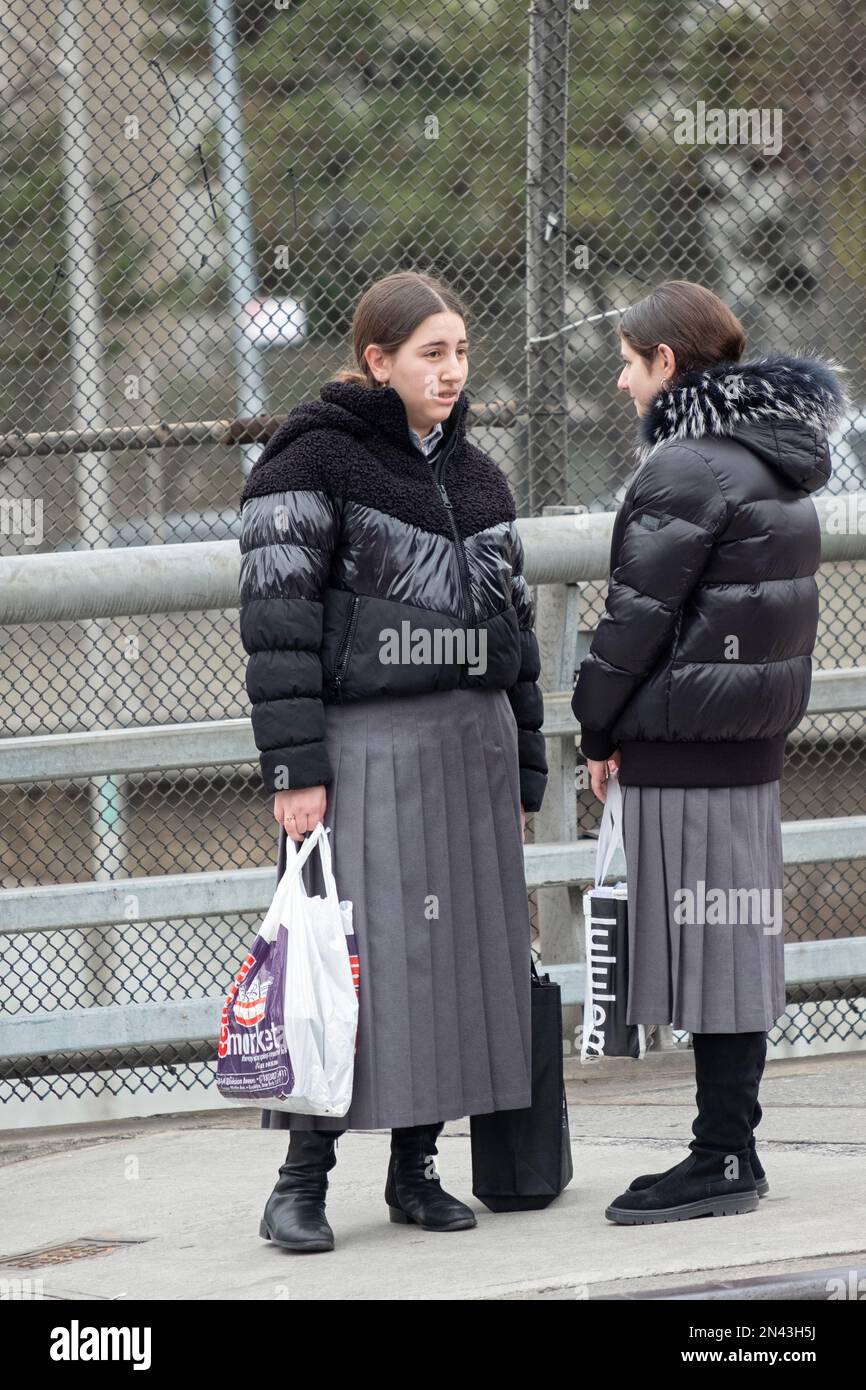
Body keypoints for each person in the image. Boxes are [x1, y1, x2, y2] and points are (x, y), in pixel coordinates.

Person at [237, 269, 548, 1252]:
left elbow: (518, 636)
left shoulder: (479, 476)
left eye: (459, 351)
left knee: (448, 962)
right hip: (367, 753)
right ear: (378, 360)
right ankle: (300, 1180)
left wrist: (525, 775)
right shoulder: (308, 463)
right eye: (430, 353)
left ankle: (416, 1169)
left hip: (471, 750)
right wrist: (296, 771)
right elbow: (275, 629)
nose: (451, 371)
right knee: (348, 961)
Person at [571, 279, 846, 1225]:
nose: (619, 381)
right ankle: (728, 1148)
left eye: (626, 361)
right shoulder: (773, 461)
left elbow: (634, 622)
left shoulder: (685, 468)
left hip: (684, 745)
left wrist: (595, 726)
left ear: (667, 365)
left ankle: (723, 1157)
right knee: (730, 946)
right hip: (747, 747)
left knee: (712, 952)